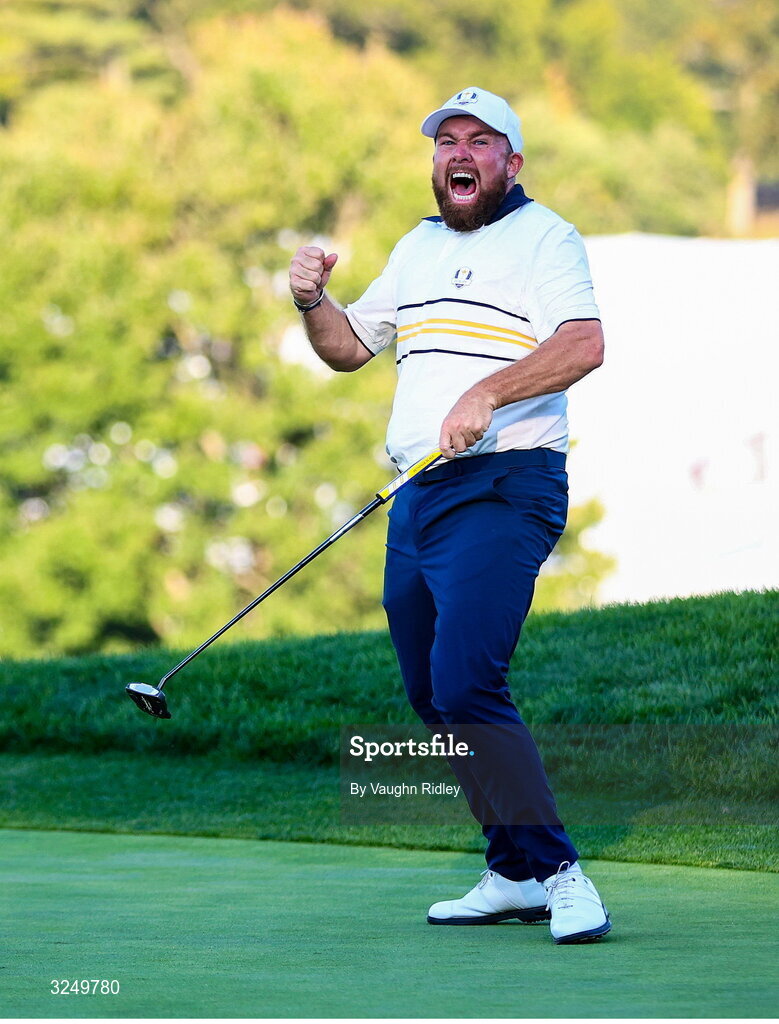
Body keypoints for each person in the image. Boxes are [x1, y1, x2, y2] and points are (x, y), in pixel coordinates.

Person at [289, 87, 611, 945]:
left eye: (479, 141)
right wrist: (312, 300)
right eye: (445, 142)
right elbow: (350, 350)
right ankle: (511, 870)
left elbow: (583, 343)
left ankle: (560, 871)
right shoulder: (417, 245)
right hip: (417, 493)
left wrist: (487, 389)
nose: (457, 153)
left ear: (511, 163)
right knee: (433, 694)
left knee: (470, 681)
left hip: (506, 485)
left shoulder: (546, 238)